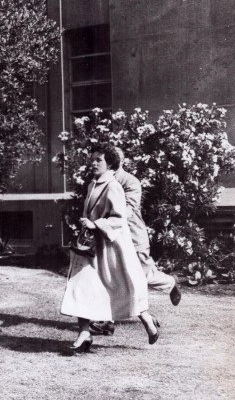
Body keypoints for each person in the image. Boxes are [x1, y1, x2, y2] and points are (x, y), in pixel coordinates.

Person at [60, 144, 161, 351]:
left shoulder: (113, 186)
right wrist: (86, 224)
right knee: (80, 285)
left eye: (99, 160)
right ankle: (84, 334)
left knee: (123, 287)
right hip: (90, 248)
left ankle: (147, 320)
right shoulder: (92, 185)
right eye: (92, 159)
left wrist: (96, 224)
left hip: (111, 248)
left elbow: (119, 218)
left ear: (110, 164)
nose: (93, 163)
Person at [91, 147, 181, 336]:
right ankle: (107, 321)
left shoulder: (130, 182)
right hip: (110, 237)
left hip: (133, 237)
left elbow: (128, 210)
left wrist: (108, 216)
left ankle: (170, 282)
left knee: (140, 277)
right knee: (110, 276)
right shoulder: (98, 180)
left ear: (119, 161)